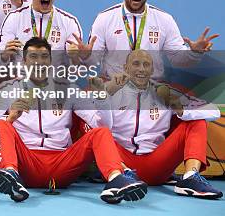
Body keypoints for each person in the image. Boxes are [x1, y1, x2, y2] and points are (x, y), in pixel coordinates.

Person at [0, 37, 148, 204]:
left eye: (44, 58)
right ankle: (10, 175)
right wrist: (10, 118)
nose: (39, 63)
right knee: (2, 125)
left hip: (62, 164)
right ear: (24, 62)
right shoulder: (7, 90)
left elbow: (104, 126)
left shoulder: (68, 89)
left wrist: (103, 98)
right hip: (26, 164)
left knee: (100, 133)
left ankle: (115, 180)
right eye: (33, 57)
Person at [94, 49, 222, 199]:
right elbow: (103, 126)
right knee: (97, 131)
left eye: (146, 64)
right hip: (122, 162)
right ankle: (118, 178)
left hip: (157, 164)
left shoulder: (165, 91)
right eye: (136, 64)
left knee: (197, 121)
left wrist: (179, 108)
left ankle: (190, 177)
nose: (141, 69)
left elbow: (213, 111)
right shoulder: (113, 91)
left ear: (152, 69)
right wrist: (106, 98)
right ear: (126, 68)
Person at [73, 0, 218, 79]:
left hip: (152, 90)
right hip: (115, 90)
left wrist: (194, 53)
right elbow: (93, 62)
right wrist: (86, 56)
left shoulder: (164, 20)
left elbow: (178, 60)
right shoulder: (104, 18)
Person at [0, 0, 82, 64]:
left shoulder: (69, 22)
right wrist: (4, 55)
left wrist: (75, 57)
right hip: (22, 77)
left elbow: (78, 67)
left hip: (54, 77)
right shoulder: (14, 18)